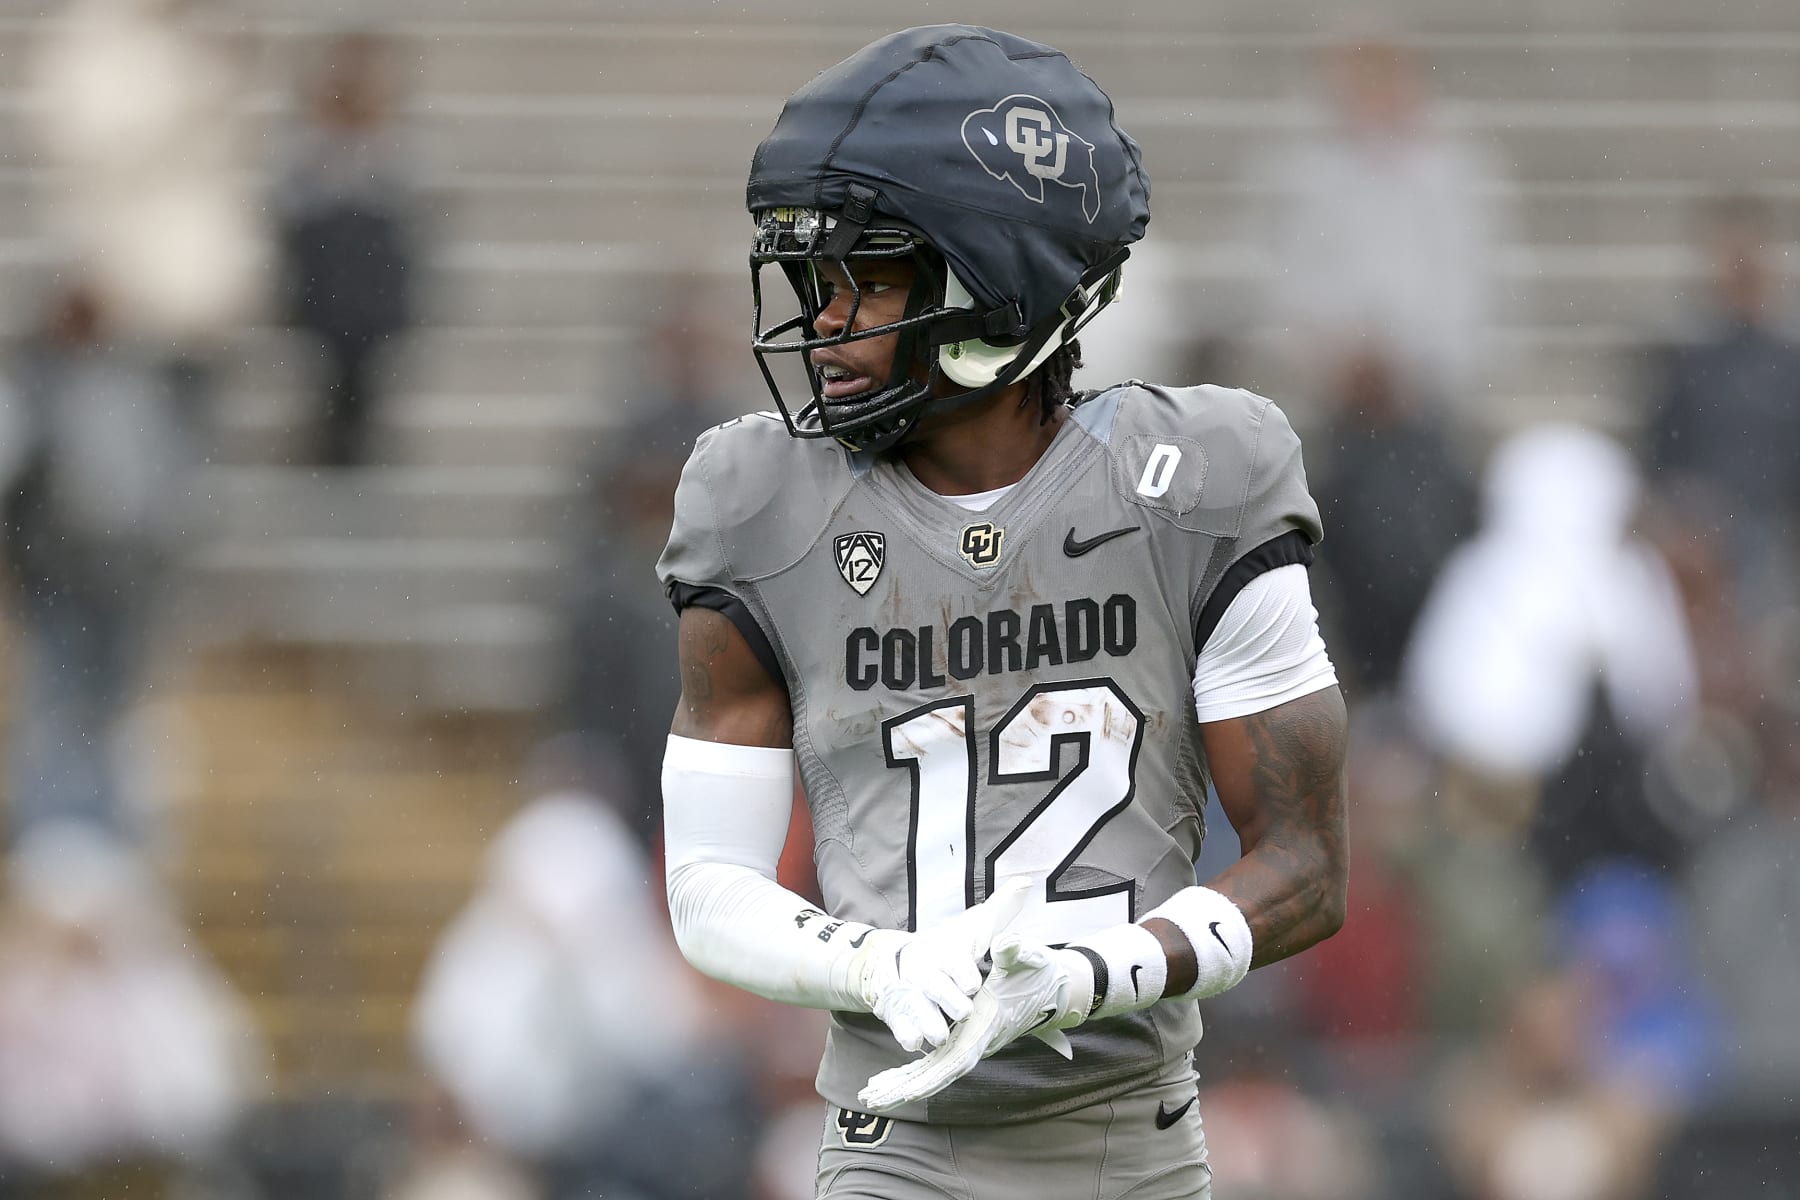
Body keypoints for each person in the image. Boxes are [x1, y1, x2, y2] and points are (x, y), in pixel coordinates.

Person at [655, 26, 1348, 1200]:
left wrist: (1090, 975)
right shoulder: (759, 501)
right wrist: (875, 966)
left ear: (996, 282)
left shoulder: (1198, 484)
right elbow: (704, 884)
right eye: (815, 282)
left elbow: (1308, 865)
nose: (824, 320)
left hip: (1138, 1143)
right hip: (894, 1145)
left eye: (868, 277)